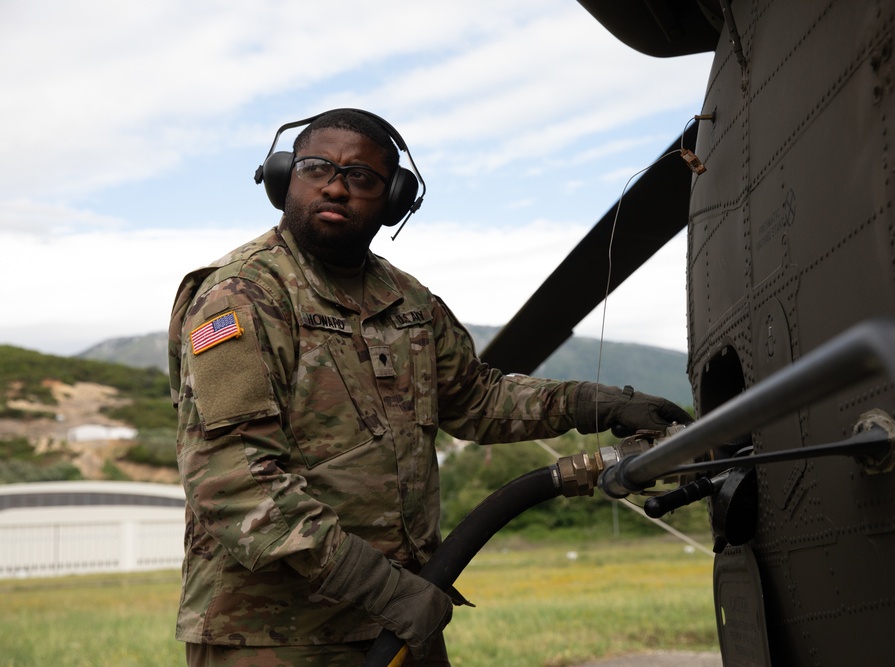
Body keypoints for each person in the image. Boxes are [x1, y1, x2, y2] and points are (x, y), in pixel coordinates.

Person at [167, 108, 692, 667]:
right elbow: (236, 483)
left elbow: (476, 400)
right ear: (282, 178)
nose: (337, 186)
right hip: (277, 636)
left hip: (402, 622)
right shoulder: (242, 296)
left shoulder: (409, 301)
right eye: (317, 167)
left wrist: (591, 402)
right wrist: (386, 590)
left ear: (394, 199)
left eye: (363, 177)